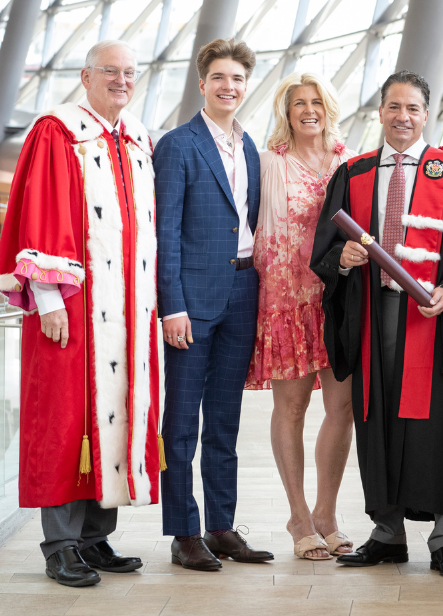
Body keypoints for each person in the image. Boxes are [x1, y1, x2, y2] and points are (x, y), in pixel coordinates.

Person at [311, 70, 443, 578]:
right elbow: (324, 254)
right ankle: (387, 533)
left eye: (412, 108)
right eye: (394, 107)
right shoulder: (354, 173)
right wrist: (344, 258)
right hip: (372, 316)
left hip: (435, 321)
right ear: (380, 112)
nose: (403, 117)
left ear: (426, 114)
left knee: (440, 424)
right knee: (380, 421)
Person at [0, 40, 158, 587]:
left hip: (128, 309)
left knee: (113, 411)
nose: (122, 80)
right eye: (110, 71)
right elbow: (42, 213)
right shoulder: (58, 131)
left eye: (130, 72)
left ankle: (94, 538)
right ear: (85, 76)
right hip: (75, 304)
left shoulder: (135, 136)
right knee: (65, 418)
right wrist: (48, 299)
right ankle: (60, 544)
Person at [154, 38, 274, 571]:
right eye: (220, 77)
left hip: (243, 292)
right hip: (192, 302)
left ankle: (221, 527)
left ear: (247, 87)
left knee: (225, 420)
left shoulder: (250, 146)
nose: (229, 87)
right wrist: (171, 305)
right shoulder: (178, 145)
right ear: (202, 83)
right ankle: (184, 533)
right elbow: (167, 234)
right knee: (181, 422)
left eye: (239, 79)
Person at [246, 72, 356, 560]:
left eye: (316, 102)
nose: (308, 110)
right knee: (291, 409)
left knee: (343, 409)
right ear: (286, 113)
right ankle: (298, 517)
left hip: (336, 302)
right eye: (298, 104)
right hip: (287, 303)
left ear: (328, 108)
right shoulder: (270, 163)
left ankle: (326, 513)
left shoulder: (349, 165)